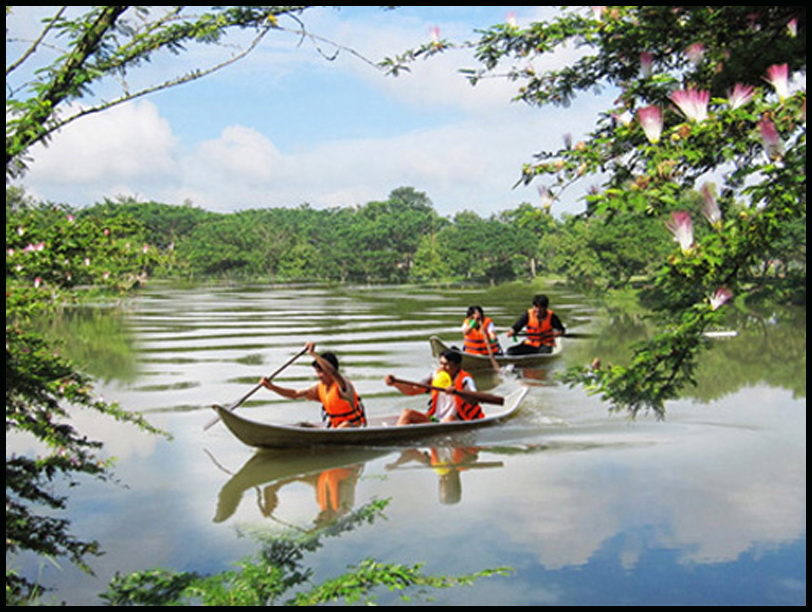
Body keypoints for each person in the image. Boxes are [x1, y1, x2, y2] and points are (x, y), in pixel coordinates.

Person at [259, 341, 366, 428]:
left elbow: (333, 372)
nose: (319, 376)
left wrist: (313, 354)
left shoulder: (344, 386)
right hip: (333, 430)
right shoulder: (319, 388)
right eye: (317, 372)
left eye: (321, 372)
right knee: (303, 425)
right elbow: (295, 394)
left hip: (354, 427)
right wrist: (272, 387)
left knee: (345, 425)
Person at [385, 349, 484, 425]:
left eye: (446, 365)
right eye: (441, 363)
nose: (442, 368)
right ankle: (394, 438)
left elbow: (474, 399)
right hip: (435, 418)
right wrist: (395, 384)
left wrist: (457, 392)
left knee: (449, 419)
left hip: (458, 419)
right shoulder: (435, 375)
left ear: (457, 366)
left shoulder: (465, 379)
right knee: (407, 413)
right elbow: (412, 390)